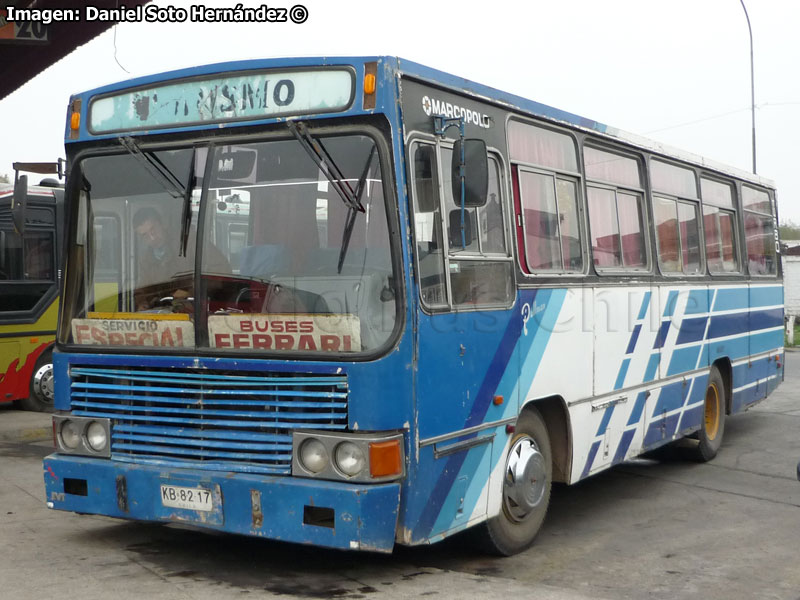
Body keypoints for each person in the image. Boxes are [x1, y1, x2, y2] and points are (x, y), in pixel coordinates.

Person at [133, 206, 230, 310]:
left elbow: (222, 270)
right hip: (166, 316)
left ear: (163, 224)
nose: (152, 237)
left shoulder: (190, 242)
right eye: (145, 235)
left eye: (153, 229)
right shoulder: (146, 260)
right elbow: (142, 288)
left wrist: (190, 293)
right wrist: (142, 303)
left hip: (198, 315)